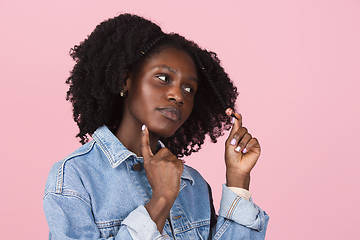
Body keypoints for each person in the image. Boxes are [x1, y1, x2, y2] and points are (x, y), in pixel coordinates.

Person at [43, 13, 269, 239]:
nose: (177, 96)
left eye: (189, 89)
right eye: (163, 78)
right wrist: (161, 199)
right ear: (125, 80)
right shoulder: (76, 177)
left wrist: (238, 179)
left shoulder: (193, 185)